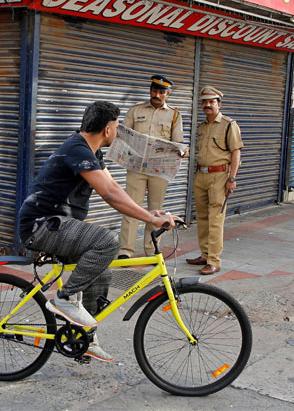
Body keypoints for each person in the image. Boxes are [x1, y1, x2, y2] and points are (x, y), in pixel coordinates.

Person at [18, 100, 177, 362]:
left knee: (101, 272)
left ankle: (85, 338)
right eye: (116, 126)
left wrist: (152, 213)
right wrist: (149, 218)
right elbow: (110, 194)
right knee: (106, 242)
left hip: (60, 224)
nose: (117, 131)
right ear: (107, 129)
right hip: (42, 225)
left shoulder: (91, 152)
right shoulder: (77, 149)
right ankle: (65, 299)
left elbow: (114, 186)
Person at [117, 75, 187, 259]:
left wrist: (181, 150)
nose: (157, 95)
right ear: (150, 91)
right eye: (155, 91)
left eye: (162, 92)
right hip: (136, 167)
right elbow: (123, 134)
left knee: (156, 209)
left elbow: (178, 142)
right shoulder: (135, 110)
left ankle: (151, 250)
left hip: (159, 170)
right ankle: (126, 251)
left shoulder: (174, 115)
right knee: (131, 207)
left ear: (168, 94)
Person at [186, 86, 243, 276]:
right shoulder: (202, 126)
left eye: (211, 101)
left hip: (220, 176)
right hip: (201, 175)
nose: (207, 105)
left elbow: (236, 152)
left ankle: (214, 261)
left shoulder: (229, 125)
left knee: (216, 219)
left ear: (219, 104)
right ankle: (204, 254)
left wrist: (232, 178)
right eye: (204, 102)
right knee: (202, 218)